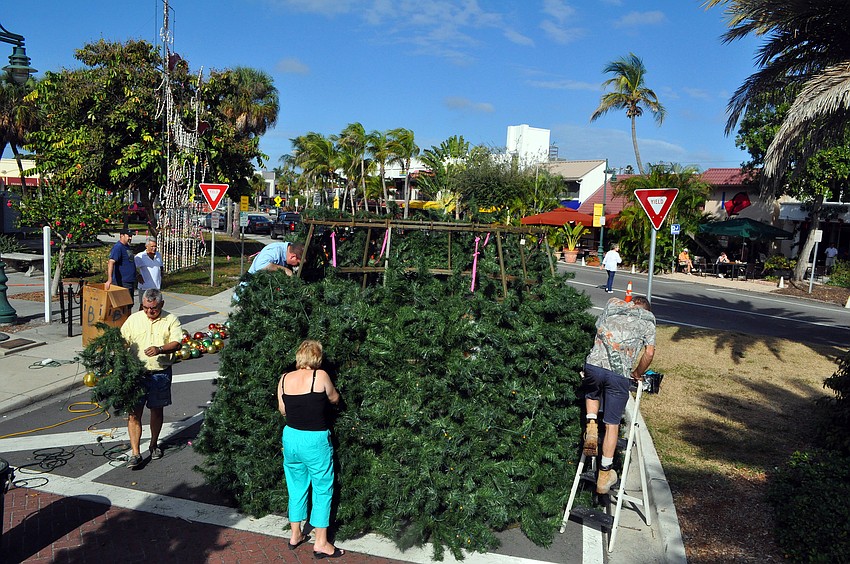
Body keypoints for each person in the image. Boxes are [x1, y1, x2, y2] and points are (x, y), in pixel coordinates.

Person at [582, 296, 656, 494]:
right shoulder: (648, 321)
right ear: (647, 310)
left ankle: (590, 425)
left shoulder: (614, 305)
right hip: (619, 374)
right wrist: (637, 374)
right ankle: (604, 474)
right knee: (612, 424)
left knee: (592, 392)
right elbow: (649, 354)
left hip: (593, 366)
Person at [277, 340, 344, 559]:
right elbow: (334, 398)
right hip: (315, 439)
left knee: (296, 485)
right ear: (317, 358)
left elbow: (283, 410)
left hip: (291, 436)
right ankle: (322, 542)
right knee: (322, 487)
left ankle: (295, 534)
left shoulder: (284, 378)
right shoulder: (320, 375)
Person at [120, 288, 183, 469]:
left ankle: (153, 444)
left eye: (153, 309)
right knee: (133, 414)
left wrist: (160, 349)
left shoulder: (171, 320)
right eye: (146, 308)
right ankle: (135, 453)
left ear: (161, 304)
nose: (149, 312)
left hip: (160, 373)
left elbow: (177, 343)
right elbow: (122, 340)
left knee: (156, 410)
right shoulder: (134, 320)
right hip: (136, 373)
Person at [105, 228, 136, 298]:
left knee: (129, 305)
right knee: (123, 304)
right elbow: (111, 262)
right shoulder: (118, 247)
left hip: (129, 281)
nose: (130, 238)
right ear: (122, 236)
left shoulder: (127, 247)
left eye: (131, 236)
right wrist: (109, 279)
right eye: (128, 236)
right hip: (122, 282)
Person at [135, 237, 163, 308]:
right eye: (152, 246)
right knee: (143, 306)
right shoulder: (140, 256)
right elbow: (132, 268)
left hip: (156, 287)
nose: (154, 248)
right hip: (145, 287)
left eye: (155, 246)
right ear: (146, 246)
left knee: (156, 306)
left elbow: (161, 267)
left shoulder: (158, 255)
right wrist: (137, 275)